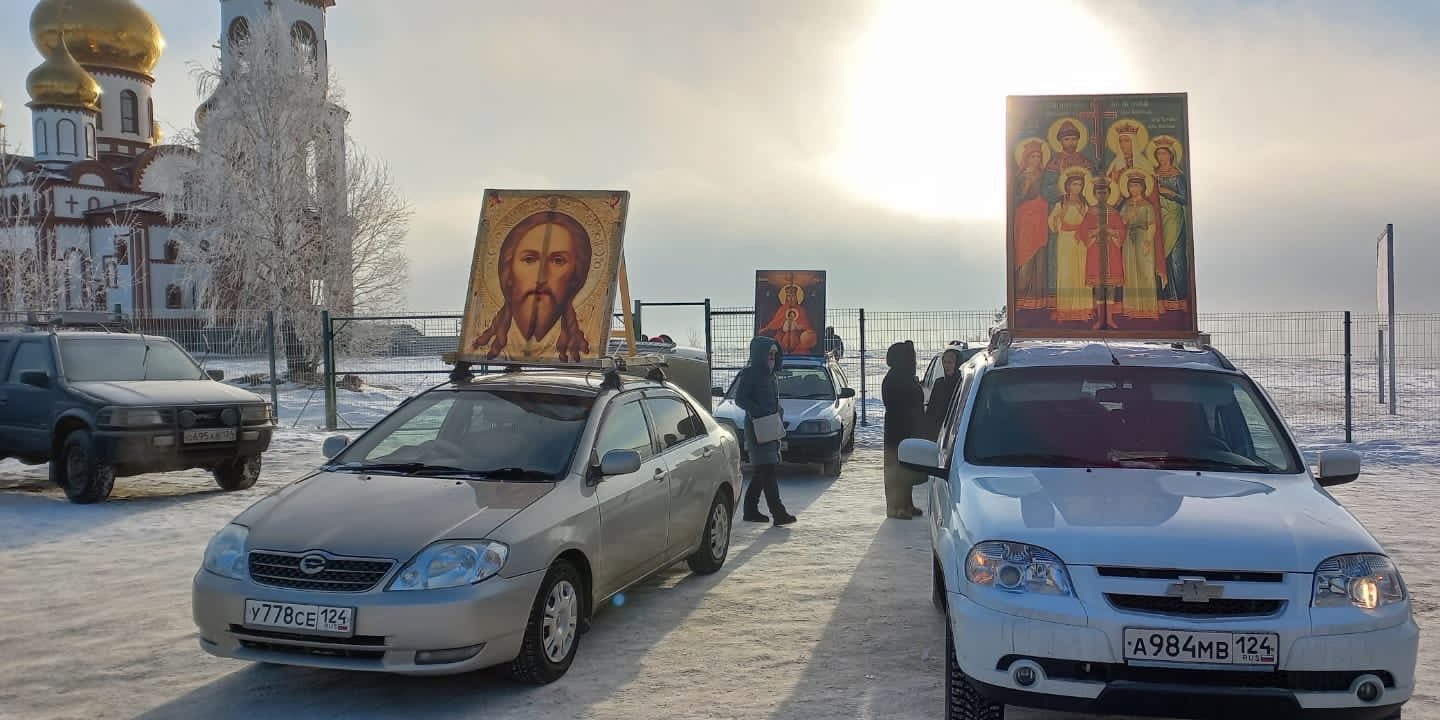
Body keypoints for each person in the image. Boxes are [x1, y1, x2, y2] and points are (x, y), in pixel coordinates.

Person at [469, 210, 593, 362]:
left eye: (558, 261)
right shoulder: (501, 341)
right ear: (508, 271)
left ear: (576, 277)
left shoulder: (571, 339)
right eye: (529, 259)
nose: (541, 278)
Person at [734, 335, 797, 526]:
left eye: (774, 354)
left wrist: (776, 412)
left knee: (762, 470)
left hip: (770, 425)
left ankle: (750, 510)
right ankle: (778, 513)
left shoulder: (771, 374)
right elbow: (740, 399)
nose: (772, 357)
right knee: (767, 469)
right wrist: (759, 411)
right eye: (769, 353)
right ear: (760, 354)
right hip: (757, 427)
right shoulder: (750, 373)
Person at [882, 340, 925, 519]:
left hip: (908, 429)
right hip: (898, 430)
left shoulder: (904, 375)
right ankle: (896, 507)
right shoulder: (894, 378)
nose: (914, 362)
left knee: (907, 469)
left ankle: (907, 504)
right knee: (897, 470)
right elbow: (902, 404)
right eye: (911, 358)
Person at [924, 347, 963, 438]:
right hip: (938, 431)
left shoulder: (962, 383)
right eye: (945, 362)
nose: (947, 366)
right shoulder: (939, 383)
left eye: (950, 362)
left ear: (956, 364)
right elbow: (931, 410)